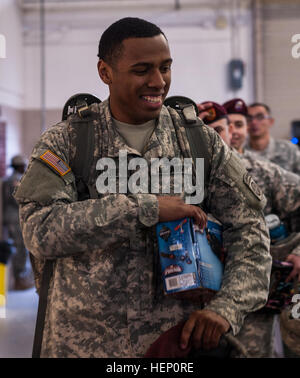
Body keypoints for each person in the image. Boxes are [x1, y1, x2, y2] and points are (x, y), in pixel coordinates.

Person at [14, 17, 271, 358]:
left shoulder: (198, 141)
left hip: (176, 345)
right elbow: (40, 230)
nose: (158, 81)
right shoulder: (69, 141)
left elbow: (250, 231)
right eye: (141, 70)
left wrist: (227, 308)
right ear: (105, 72)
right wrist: (145, 208)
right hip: (83, 344)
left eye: (165, 67)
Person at [199, 100, 300, 357]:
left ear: (231, 133)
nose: (212, 138)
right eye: (202, 130)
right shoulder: (179, 178)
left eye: (219, 130)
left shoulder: (260, 172)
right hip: (195, 305)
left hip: (250, 302)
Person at [2, 155, 34, 290]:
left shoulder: (10, 179)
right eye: (23, 166)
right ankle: (19, 279)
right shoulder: (15, 180)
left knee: (19, 248)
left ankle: (19, 278)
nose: (25, 168)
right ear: (19, 166)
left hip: (12, 218)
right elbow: (19, 200)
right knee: (20, 248)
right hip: (15, 219)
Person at [244, 102, 300, 175]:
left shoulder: (289, 149)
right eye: (249, 118)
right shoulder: (240, 153)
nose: (254, 122)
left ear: (271, 121)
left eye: (260, 117)